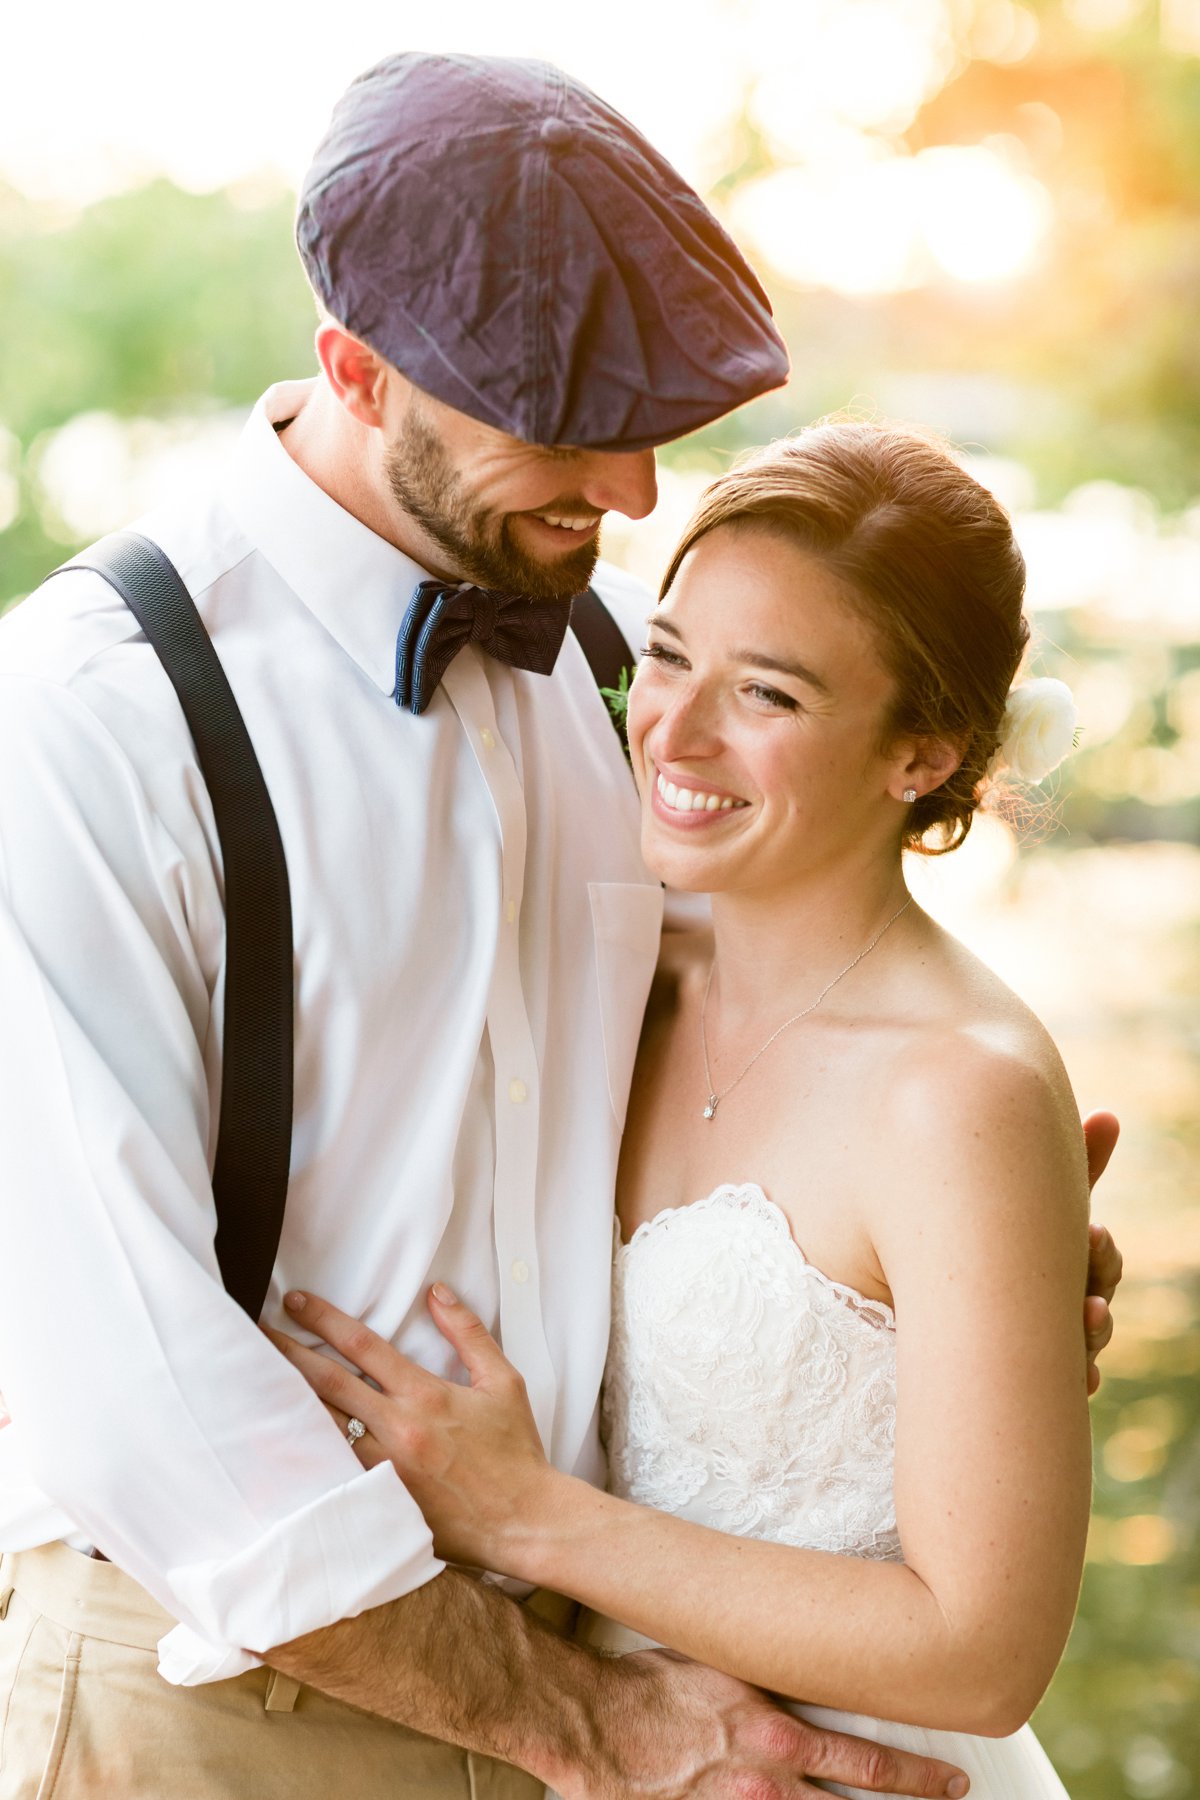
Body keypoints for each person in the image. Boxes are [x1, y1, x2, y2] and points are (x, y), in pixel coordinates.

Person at [0, 50, 1050, 1800]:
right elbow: (119, 1372)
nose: (632, 495)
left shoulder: (611, 665)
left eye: (651, 429)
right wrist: (591, 1725)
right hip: (222, 1702)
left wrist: (954, 1293)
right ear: (352, 365)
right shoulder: (88, 721)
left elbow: (729, 1086)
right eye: (564, 432)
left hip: (616, 1685)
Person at [268, 422, 1121, 1800]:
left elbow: (980, 1651)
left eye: (769, 695)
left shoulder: (959, 1090)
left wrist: (533, 1520)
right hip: (623, 1755)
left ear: (922, 751)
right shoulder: (612, 984)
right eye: (667, 655)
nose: (676, 728)